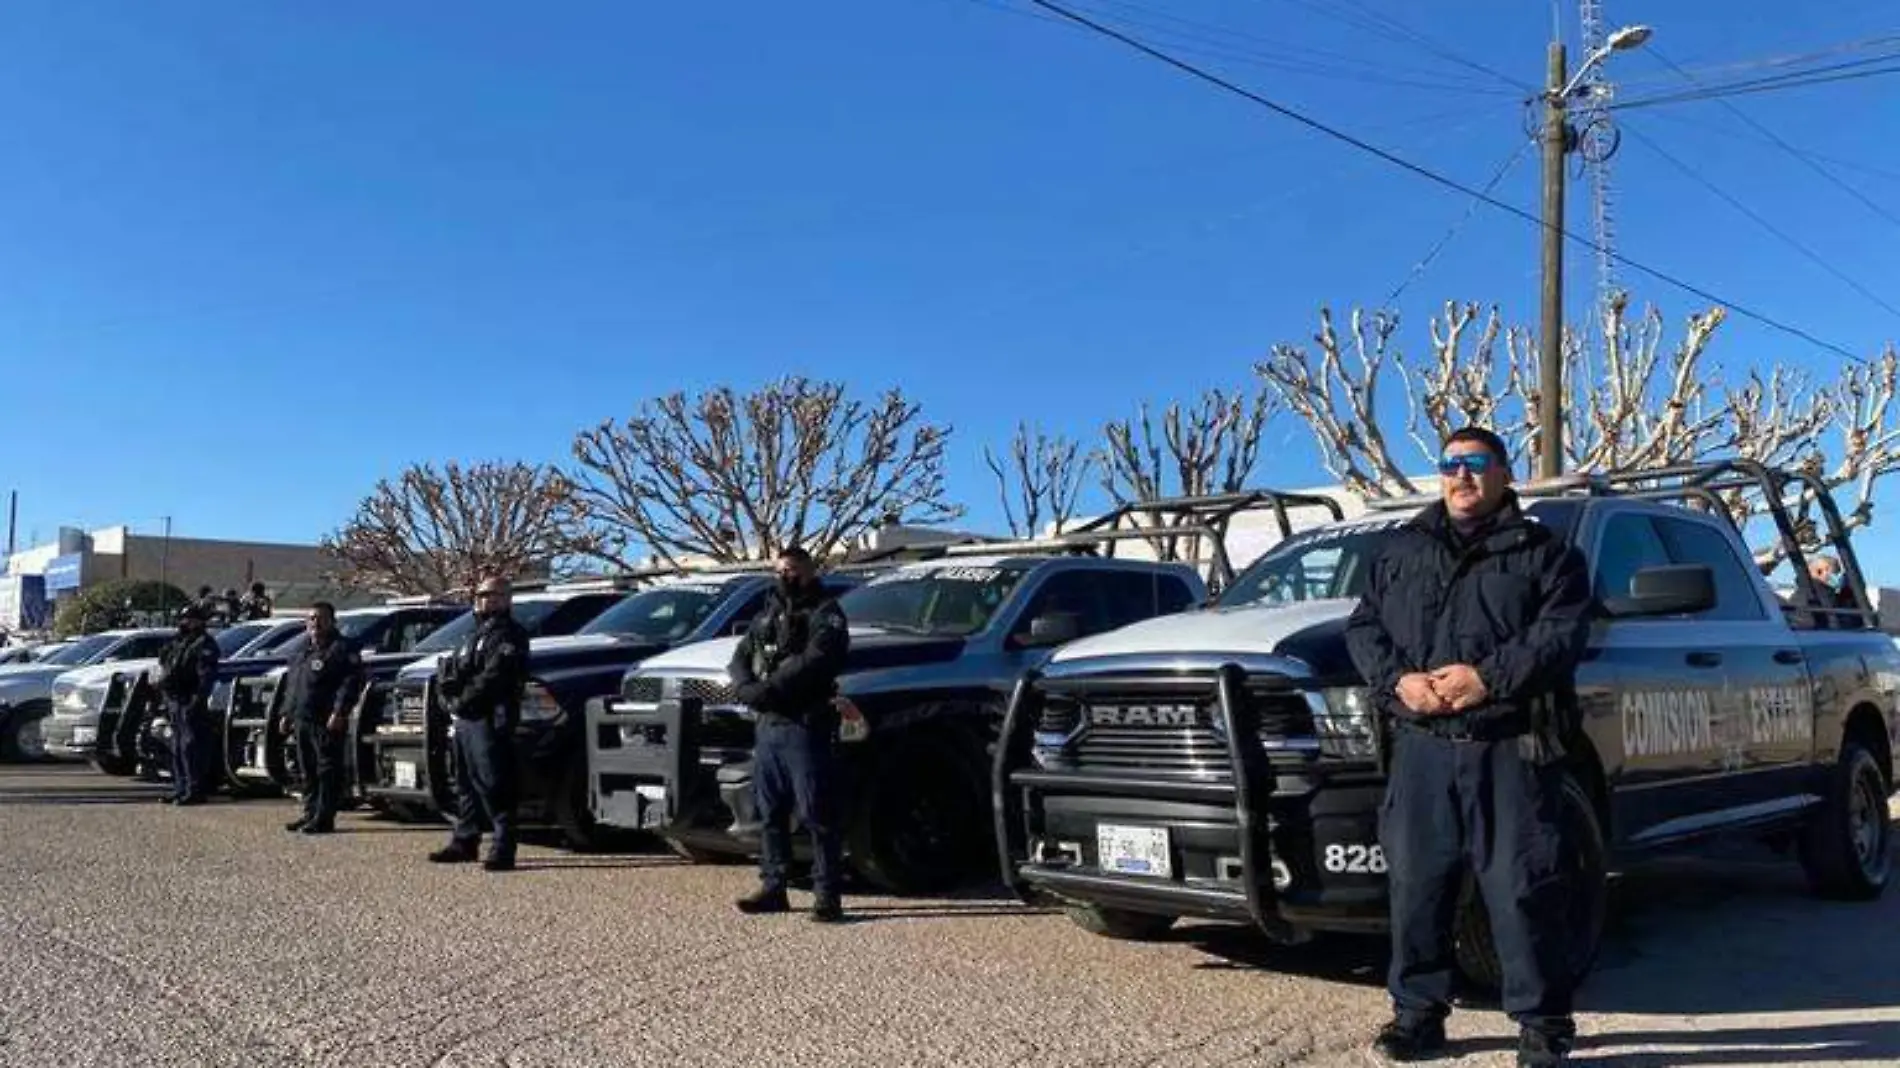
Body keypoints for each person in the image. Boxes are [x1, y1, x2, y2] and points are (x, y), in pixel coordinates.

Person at [1344, 426, 1593, 1068]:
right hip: (1422, 745)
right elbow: (1364, 627)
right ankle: (1417, 1016)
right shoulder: (1399, 550)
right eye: (1450, 464)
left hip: (1509, 747)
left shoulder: (1545, 554)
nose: (1462, 476)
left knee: (1522, 887)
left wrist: (1486, 679)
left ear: (1505, 473)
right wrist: (1397, 683)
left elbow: (1559, 636)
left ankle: (1542, 1027)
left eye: (1476, 463)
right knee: (1418, 885)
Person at [728, 545, 851, 923]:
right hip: (769, 727)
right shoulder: (767, 612)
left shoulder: (827, 613)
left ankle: (827, 894)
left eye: (794, 570)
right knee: (770, 813)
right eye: (781, 570)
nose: (786, 576)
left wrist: (770, 690)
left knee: (817, 813)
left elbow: (816, 661)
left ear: (810, 571)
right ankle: (773, 886)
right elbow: (740, 657)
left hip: (805, 725)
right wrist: (745, 688)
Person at [428, 574, 530, 872]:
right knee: (465, 782)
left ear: (507, 599)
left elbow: (495, 676)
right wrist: (448, 694)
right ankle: (465, 840)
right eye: (482, 595)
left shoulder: (510, 634)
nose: (487, 600)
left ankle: (503, 847)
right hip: (465, 720)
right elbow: (457, 671)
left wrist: (463, 700)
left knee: (495, 783)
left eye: (494, 595)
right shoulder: (472, 635)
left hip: (491, 718)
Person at [278, 602, 366, 835]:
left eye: (320, 618)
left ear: (332, 622)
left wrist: (339, 712)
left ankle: (324, 818)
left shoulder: (341, 649)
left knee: (326, 770)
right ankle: (310, 813)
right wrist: (287, 713)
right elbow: (293, 686)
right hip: (302, 719)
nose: (315, 623)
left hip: (325, 720)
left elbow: (350, 683)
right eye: (311, 619)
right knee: (307, 770)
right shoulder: (302, 650)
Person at [153, 604, 222, 806]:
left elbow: (205, 676)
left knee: (191, 747)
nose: (186, 623)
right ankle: (180, 787)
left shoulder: (204, 644)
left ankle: (195, 789)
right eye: (184, 619)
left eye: (191, 619)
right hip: (175, 699)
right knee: (177, 746)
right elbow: (165, 662)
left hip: (190, 699)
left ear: (200, 622)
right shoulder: (179, 641)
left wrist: (197, 700)